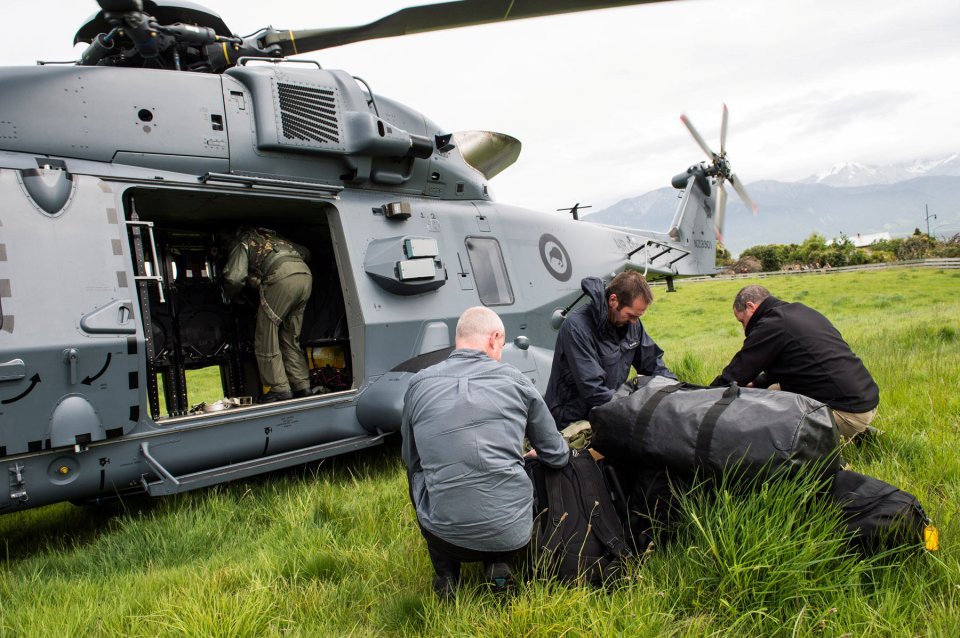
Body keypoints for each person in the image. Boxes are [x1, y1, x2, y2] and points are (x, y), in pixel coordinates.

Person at [401, 307, 569, 597]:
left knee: (416, 473)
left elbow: (411, 458)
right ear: (494, 339)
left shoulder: (417, 385)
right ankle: (498, 564)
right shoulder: (518, 381)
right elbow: (557, 455)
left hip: (443, 536)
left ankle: (446, 574)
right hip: (512, 534)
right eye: (502, 346)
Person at [711, 285, 880, 441]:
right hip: (865, 402)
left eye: (742, 321)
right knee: (770, 392)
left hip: (848, 413)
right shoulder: (800, 312)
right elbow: (795, 365)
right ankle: (861, 432)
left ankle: (837, 443)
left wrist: (702, 397)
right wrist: (756, 382)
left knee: (761, 415)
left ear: (750, 307)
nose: (743, 328)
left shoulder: (771, 324)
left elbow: (737, 372)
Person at [545, 271, 675, 429]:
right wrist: (633, 409)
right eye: (631, 315)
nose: (635, 322)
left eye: (638, 317)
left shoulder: (632, 325)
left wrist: (675, 389)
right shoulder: (577, 328)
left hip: (608, 410)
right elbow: (593, 389)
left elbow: (653, 363)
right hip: (571, 419)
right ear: (613, 300)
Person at [222, 226, 315, 403]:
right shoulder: (275, 236)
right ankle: (302, 386)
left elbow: (234, 277)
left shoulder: (242, 240)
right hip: (305, 277)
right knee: (290, 336)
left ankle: (279, 389)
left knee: (266, 334)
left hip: (281, 278)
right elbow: (306, 252)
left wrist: (235, 296)